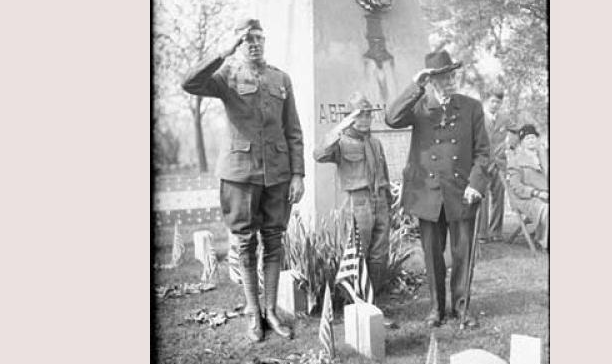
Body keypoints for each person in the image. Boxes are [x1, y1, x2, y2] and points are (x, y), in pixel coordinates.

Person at [181, 18, 305, 342]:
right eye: (246, 39)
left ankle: (272, 311)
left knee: (275, 240)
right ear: (238, 44)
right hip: (241, 175)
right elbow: (190, 83)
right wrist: (223, 53)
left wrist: (298, 175)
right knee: (246, 243)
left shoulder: (281, 78)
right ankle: (253, 312)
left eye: (258, 37)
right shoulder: (226, 76)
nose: (254, 43)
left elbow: (293, 131)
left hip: (276, 175)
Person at [385, 50, 491, 327]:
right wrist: (415, 85)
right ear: (431, 80)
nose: (449, 81)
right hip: (428, 194)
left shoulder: (471, 107)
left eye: (451, 75)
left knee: (463, 253)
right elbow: (391, 118)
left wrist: (475, 184)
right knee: (432, 256)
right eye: (442, 77)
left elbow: (483, 152)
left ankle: (461, 308)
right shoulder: (419, 107)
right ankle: (436, 309)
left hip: (461, 192)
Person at [313, 92, 391, 300]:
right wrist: (339, 128)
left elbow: (384, 174)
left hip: (379, 200)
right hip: (358, 202)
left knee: (379, 254)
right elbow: (319, 154)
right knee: (358, 253)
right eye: (359, 115)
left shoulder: (375, 143)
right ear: (349, 117)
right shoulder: (341, 143)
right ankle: (356, 303)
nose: (365, 119)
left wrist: (388, 201)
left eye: (367, 115)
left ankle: (374, 301)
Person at [476, 87, 516, 243]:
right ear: (486, 101)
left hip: (499, 163)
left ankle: (496, 232)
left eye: (498, 102)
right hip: (483, 163)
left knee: (498, 197)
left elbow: (517, 132)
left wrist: (509, 145)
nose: (495, 105)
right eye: (492, 101)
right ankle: (482, 234)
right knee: (483, 197)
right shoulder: (478, 117)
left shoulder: (505, 118)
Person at [506, 124, 549, 249]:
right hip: (526, 198)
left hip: (546, 194)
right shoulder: (516, 160)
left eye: (533, 137)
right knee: (546, 209)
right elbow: (516, 187)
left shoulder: (544, 157)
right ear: (522, 142)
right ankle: (545, 240)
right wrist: (536, 193)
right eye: (527, 138)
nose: (531, 140)